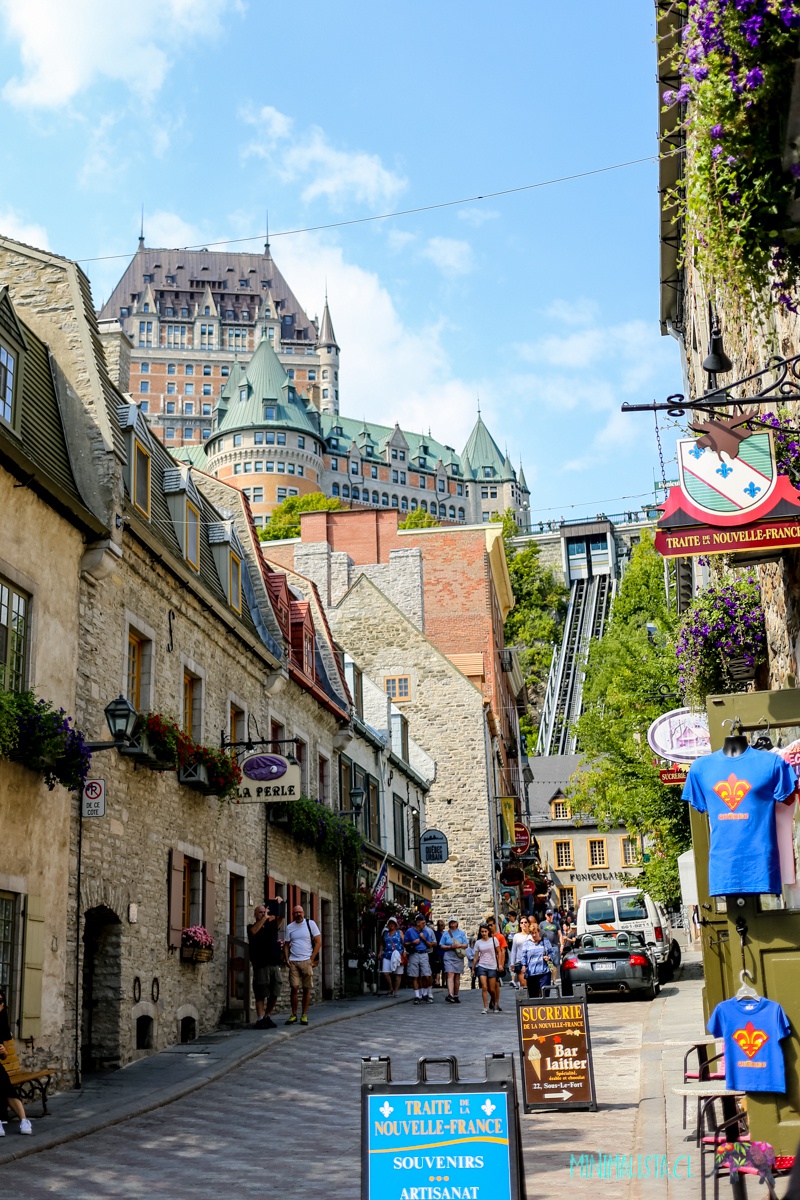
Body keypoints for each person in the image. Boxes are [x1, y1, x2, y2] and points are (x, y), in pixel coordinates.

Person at [248, 899, 285, 1029]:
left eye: (264, 912)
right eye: (260, 912)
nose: (263, 914)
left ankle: (267, 1016)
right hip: (260, 964)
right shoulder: (251, 927)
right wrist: (265, 918)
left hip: (274, 963)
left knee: (275, 990)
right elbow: (253, 932)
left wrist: (280, 903)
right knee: (261, 992)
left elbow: (281, 917)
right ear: (255, 915)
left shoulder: (271, 926)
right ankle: (260, 1018)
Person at [283, 904, 321, 1026]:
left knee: (306, 988)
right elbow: (286, 944)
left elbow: (318, 941)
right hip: (294, 961)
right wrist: (286, 957)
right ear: (293, 914)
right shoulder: (290, 927)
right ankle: (294, 1014)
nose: (298, 914)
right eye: (296, 913)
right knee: (294, 987)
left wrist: (312, 958)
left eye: (300, 912)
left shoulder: (311, 924)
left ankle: (304, 1015)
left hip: (306, 961)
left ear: (303, 913)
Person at [0, 989, 32, 1135]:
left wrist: (4, 1052)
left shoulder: (3, 1025)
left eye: (0, 1002)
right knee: (2, 1080)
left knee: (2, 1081)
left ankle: (23, 1120)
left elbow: (5, 1056)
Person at [404, 913, 436, 1004]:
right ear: (418, 923)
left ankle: (427, 994)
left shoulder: (425, 932)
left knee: (426, 975)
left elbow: (430, 945)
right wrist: (412, 942)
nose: (424, 925)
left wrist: (424, 939)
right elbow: (405, 943)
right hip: (414, 954)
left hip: (424, 954)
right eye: (423, 923)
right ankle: (417, 996)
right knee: (415, 976)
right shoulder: (410, 931)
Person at [473, 923, 503, 1014]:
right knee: (484, 987)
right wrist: (473, 968)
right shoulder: (478, 942)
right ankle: (485, 1007)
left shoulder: (494, 940)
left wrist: (500, 964)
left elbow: (499, 952)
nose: (484, 933)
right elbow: (476, 956)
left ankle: (494, 1002)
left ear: (488, 932)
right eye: (482, 932)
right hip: (482, 966)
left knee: (492, 988)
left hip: (492, 966)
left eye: (485, 931)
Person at [520, 922, 552, 998]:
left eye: (535, 933)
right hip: (532, 973)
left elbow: (551, 952)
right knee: (533, 996)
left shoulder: (545, 941)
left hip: (544, 972)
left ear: (538, 932)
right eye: (532, 933)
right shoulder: (527, 944)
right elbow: (524, 956)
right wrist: (523, 966)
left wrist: (549, 957)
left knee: (545, 995)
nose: (534, 935)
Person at [440, 918, 468, 1003]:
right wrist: (450, 947)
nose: (452, 924)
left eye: (454, 922)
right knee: (450, 974)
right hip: (449, 955)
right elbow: (441, 945)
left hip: (458, 956)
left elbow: (466, 944)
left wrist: (459, 945)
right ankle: (450, 994)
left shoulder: (461, 933)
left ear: (456, 923)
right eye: (451, 922)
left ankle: (456, 995)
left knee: (457, 976)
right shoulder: (445, 934)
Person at [508, 916, 534, 990]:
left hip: (530, 961)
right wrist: (512, 963)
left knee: (531, 983)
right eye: (522, 922)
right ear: (519, 925)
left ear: (528, 924)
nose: (524, 924)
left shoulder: (531, 935)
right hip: (519, 961)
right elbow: (514, 950)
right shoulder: (516, 936)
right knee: (523, 983)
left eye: (525, 922)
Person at [381, 917, 404, 997]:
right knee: (385, 972)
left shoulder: (399, 932)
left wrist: (404, 951)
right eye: (390, 923)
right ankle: (390, 988)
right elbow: (382, 943)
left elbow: (403, 942)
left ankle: (396, 991)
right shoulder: (385, 933)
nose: (391, 925)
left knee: (398, 973)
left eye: (393, 923)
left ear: (395, 925)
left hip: (398, 954)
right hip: (387, 954)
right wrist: (380, 952)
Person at [486, 917, 507, 999]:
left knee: (496, 983)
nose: (490, 927)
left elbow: (502, 951)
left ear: (495, 925)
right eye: (488, 925)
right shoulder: (485, 936)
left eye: (491, 925)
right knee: (487, 985)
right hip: (488, 963)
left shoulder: (500, 937)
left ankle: (496, 1002)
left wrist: (501, 964)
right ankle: (493, 998)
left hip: (496, 962)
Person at [431, 919, 447, 988]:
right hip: (438, 953)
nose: (440, 926)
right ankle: (437, 982)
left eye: (441, 925)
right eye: (439, 925)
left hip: (445, 953)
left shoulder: (446, 934)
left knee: (444, 969)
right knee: (438, 969)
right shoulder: (435, 933)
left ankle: (444, 983)